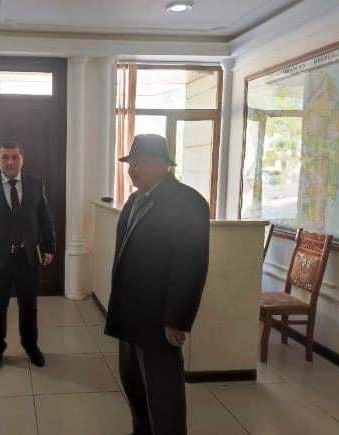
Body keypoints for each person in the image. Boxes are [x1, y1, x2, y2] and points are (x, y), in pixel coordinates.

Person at [104, 134, 209, 435]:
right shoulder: (134, 201)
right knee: (134, 387)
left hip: (159, 319)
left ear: (163, 165)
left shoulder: (188, 203)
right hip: (129, 315)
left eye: (139, 163)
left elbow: (191, 265)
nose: (131, 170)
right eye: (130, 163)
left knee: (164, 397)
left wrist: (177, 319)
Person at [0, 141, 56, 373]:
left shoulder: (35, 184)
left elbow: (45, 218)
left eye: (15, 157)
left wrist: (49, 247)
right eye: (5, 157)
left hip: (28, 257)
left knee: (29, 305)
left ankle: (30, 345)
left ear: (22, 159)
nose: (10, 162)